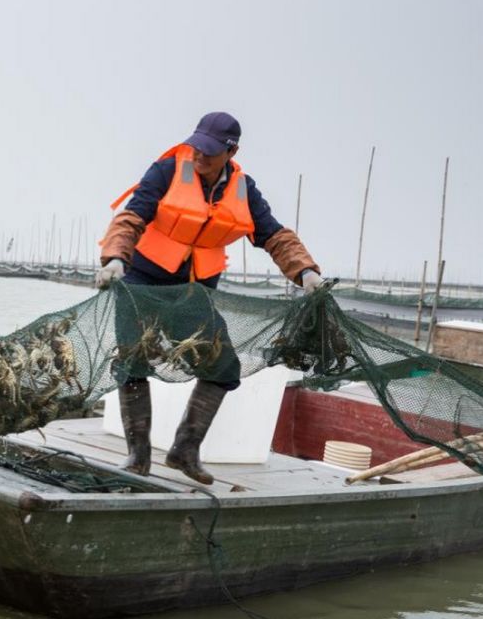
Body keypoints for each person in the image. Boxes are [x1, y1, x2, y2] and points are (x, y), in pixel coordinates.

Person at [95, 111, 325, 484]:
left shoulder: (244, 189)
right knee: (133, 361)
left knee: (222, 367)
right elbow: (131, 217)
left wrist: (306, 272)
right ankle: (137, 457)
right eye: (197, 148)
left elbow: (274, 235)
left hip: (194, 292)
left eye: (210, 152)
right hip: (140, 281)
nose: (200, 156)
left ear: (231, 151)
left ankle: (185, 449)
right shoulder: (167, 170)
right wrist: (116, 259)